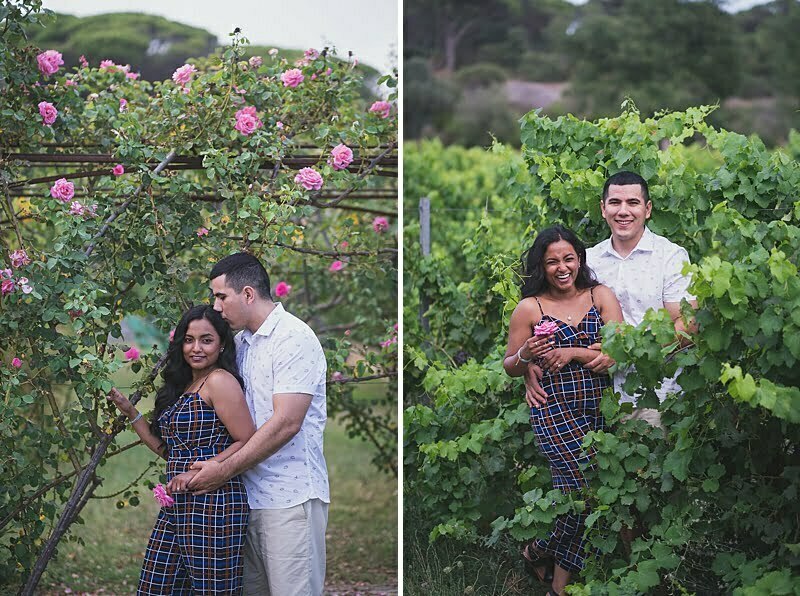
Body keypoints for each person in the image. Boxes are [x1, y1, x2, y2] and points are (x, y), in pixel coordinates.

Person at [185, 252, 330, 596]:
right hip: (244, 500)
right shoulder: (240, 344)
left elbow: (286, 423)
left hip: (290, 499)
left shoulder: (293, 338)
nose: (215, 307)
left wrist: (222, 469)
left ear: (248, 294)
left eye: (221, 296)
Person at [504, 225, 624, 596]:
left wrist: (573, 352)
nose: (561, 267)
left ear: (579, 259)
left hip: (599, 408)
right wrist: (528, 356)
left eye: (568, 258)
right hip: (552, 408)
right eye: (552, 261)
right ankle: (540, 554)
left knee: (581, 498)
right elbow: (510, 364)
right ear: (542, 265)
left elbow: (620, 351)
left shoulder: (600, 295)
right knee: (586, 493)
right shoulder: (530, 307)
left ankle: (551, 575)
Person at [525, 171, 698, 426]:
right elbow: (551, 309)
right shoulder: (588, 261)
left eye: (633, 203)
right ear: (603, 209)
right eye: (615, 203)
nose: (623, 211)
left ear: (647, 209)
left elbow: (688, 325)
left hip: (656, 396)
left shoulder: (670, 257)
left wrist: (625, 353)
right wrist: (529, 365)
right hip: (594, 396)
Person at [107, 305, 256, 594]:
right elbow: (170, 452)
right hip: (178, 505)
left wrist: (209, 469)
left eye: (206, 340)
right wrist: (130, 412)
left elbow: (246, 439)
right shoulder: (186, 384)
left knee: (211, 590)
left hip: (214, 503)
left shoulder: (220, 381)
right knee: (156, 586)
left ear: (222, 344)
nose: (196, 348)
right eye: (189, 339)